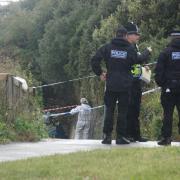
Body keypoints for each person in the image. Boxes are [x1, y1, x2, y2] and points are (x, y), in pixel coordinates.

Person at [91, 27, 147, 145]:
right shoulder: (130, 49)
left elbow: (95, 60)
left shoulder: (107, 47)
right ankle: (120, 137)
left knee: (109, 110)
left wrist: (100, 73)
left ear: (115, 35)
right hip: (125, 85)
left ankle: (107, 136)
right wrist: (146, 53)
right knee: (123, 112)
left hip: (111, 84)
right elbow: (137, 60)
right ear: (125, 35)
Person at [124, 22, 152, 142]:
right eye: (135, 34)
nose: (138, 36)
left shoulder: (134, 46)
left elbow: (136, 61)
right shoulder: (126, 47)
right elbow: (136, 58)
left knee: (136, 109)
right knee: (129, 109)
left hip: (136, 82)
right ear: (128, 35)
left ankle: (136, 135)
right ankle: (128, 134)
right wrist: (147, 52)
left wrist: (143, 66)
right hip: (128, 83)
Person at [155, 30, 180, 146]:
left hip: (169, 88)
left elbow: (159, 72)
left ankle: (166, 138)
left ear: (171, 38)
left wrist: (163, 85)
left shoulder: (165, 52)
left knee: (168, 114)